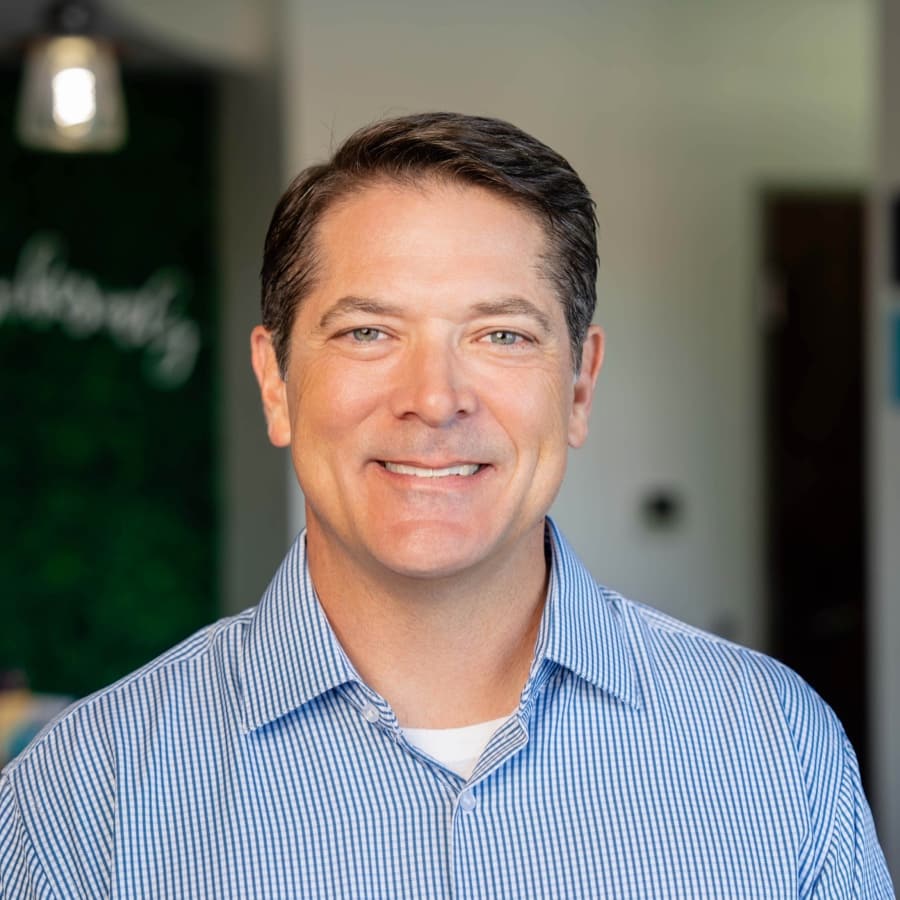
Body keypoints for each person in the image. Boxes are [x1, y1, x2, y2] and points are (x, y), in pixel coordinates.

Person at [0, 112, 893, 898]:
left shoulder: (771, 745)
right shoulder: (87, 798)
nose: (434, 397)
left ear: (578, 386)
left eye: (501, 334)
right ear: (276, 382)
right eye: (368, 332)